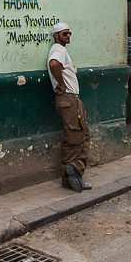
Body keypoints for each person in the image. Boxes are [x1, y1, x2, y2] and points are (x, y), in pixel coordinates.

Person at [47, 22, 92, 193]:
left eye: (69, 33)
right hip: (69, 99)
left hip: (70, 100)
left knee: (81, 134)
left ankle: (71, 176)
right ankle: (75, 168)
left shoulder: (61, 50)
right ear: (56, 35)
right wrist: (62, 84)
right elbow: (53, 64)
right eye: (64, 34)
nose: (68, 36)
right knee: (75, 137)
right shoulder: (59, 49)